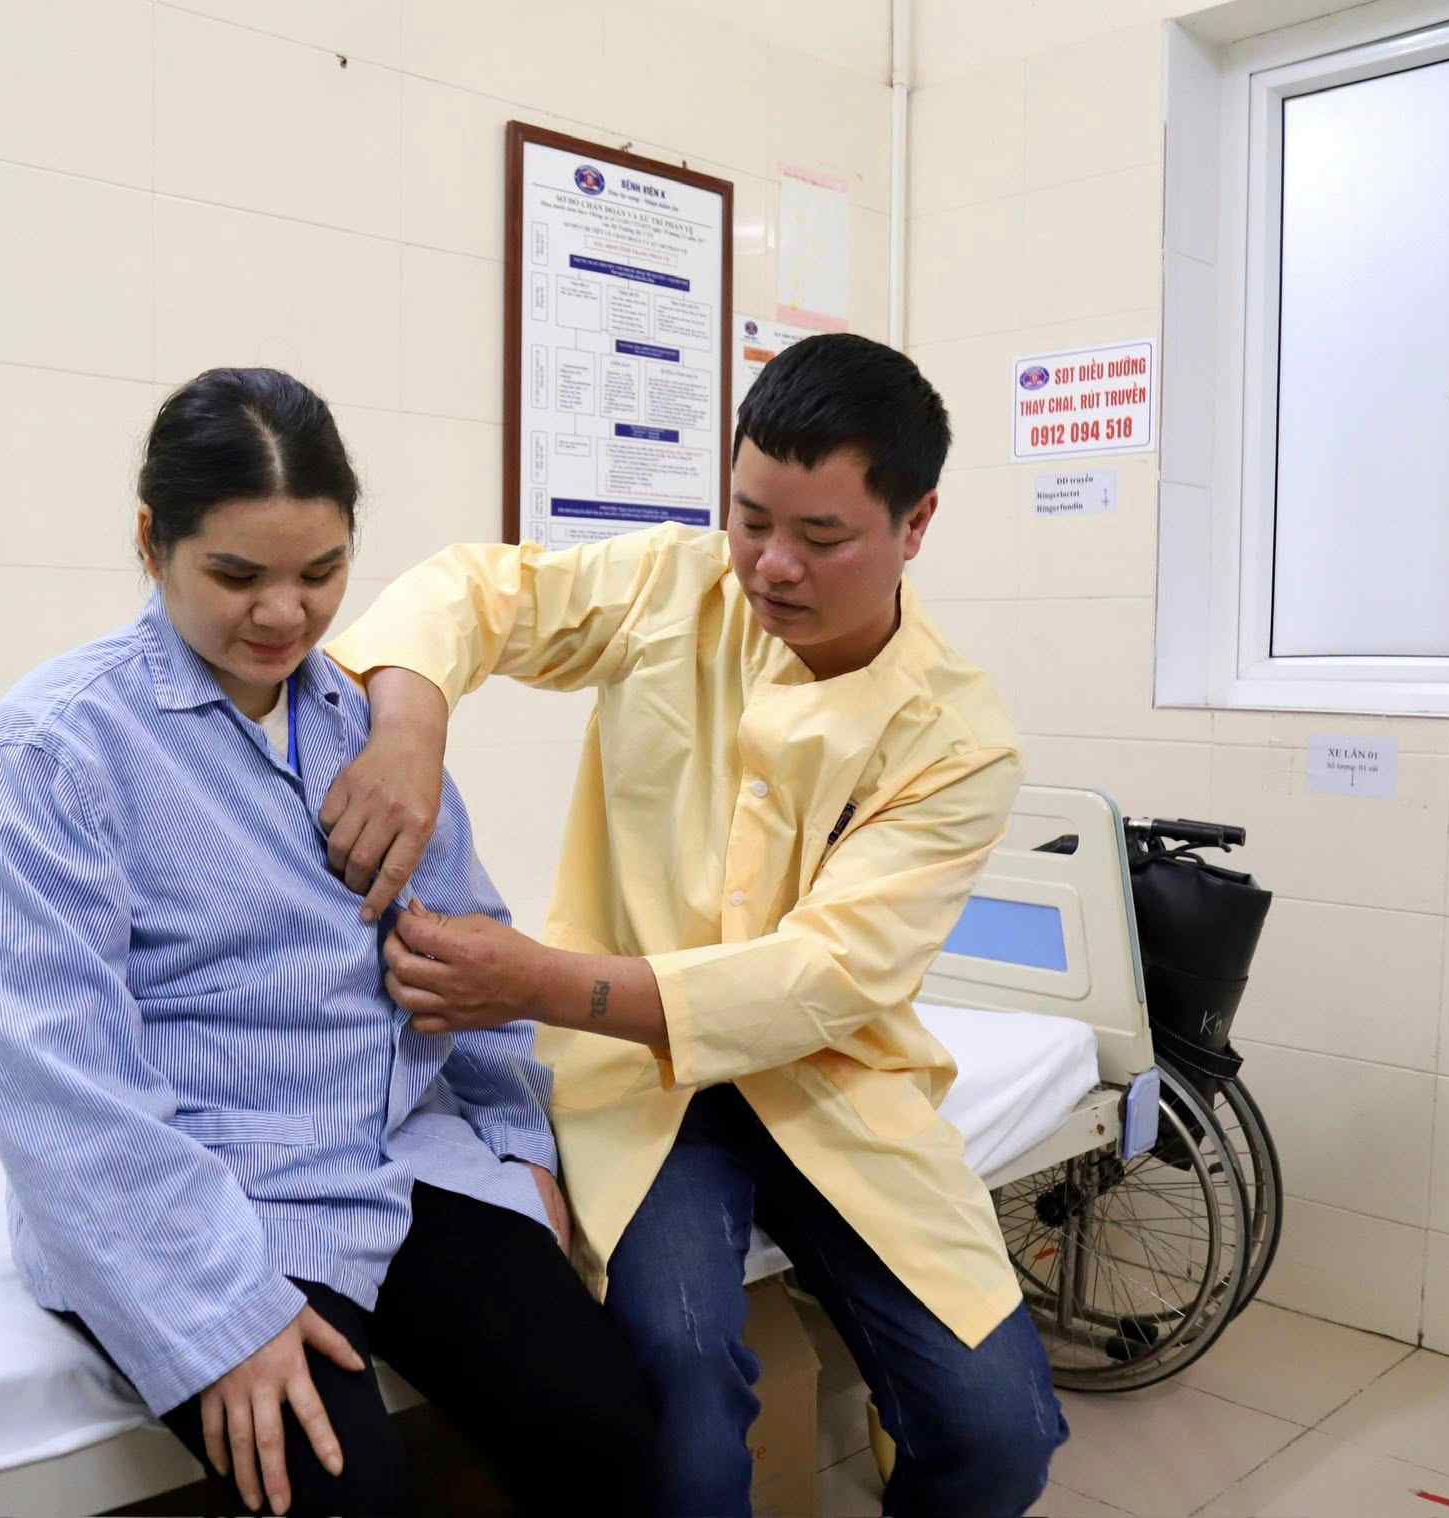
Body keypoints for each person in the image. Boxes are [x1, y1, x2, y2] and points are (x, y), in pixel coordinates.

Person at [320, 333, 1070, 1517]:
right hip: (640, 1078)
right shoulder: (674, 590)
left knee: (997, 1435)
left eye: (820, 537)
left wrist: (532, 983)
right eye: (748, 517)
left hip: (828, 1080)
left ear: (915, 524)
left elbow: (821, 981)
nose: (770, 565)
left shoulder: (955, 738)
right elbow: (470, 592)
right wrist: (407, 730)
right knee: (680, 1398)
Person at [0, 368, 654, 1518]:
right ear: (151, 543)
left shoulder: (368, 732)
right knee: (340, 1489)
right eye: (237, 576)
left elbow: (466, 952)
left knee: (611, 1428)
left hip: (393, 1152)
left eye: (319, 574)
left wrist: (515, 1142)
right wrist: (217, 1314)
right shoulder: (53, 758)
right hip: (203, 1184)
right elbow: (54, 1082)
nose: (283, 615)